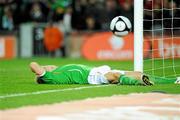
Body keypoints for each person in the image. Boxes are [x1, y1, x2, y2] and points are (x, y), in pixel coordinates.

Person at [30, 62, 179, 85]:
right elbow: (33, 65)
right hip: (91, 76)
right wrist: (38, 70)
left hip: (95, 70)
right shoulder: (50, 76)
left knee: (137, 72)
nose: (48, 66)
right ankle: (138, 82)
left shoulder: (57, 71)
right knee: (115, 76)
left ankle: (173, 80)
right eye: (46, 67)